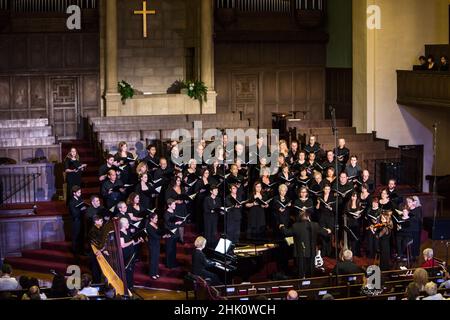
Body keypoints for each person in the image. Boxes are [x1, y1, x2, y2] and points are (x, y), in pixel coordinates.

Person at [280, 211, 331, 279]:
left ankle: (301, 283)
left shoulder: (295, 226)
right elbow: (325, 233)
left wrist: (281, 227)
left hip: (300, 252)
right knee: (310, 271)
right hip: (311, 251)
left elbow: (286, 232)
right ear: (308, 217)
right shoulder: (315, 225)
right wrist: (328, 230)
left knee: (301, 271)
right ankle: (309, 283)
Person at [119, 217, 143, 289]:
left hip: (131, 253)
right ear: (123, 225)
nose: (128, 224)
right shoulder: (120, 233)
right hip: (125, 254)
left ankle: (131, 285)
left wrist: (137, 241)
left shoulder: (128, 231)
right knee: (127, 270)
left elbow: (131, 244)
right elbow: (122, 245)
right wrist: (132, 241)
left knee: (131, 270)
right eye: (127, 223)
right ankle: (127, 286)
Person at [146, 212, 170, 280]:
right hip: (152, 244)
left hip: (156, 243)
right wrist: (163, 236)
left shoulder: (155, 224)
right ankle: (152, 274)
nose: (157, 219)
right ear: (151, 219)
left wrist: (166, 233)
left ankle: (156, 272)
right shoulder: (149, 226)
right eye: (156, 218)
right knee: (153, 259)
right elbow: (155, 236)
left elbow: (159, 232)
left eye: (157, 218)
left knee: (156, 258)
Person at [164, 199, 183, 269]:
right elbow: (168, 224)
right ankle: (169, 264)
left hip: (175, 233)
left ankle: (173, 262)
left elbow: (174, 221)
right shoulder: (166, 213)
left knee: (174, 249)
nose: (175, 205)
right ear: (169, 205)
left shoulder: (173, 212)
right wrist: (176, 223)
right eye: (174, 204)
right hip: (169, 234)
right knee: (169, 249)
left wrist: (179, 221)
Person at [69, 185, 87, 255]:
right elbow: (74, 213)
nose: (80, 194)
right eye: (79, 192)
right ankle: (75, 251)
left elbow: (82, 208)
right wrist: (81, 209)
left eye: (80, 192)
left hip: (81, 220)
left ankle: (82, 250)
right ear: (74, 193)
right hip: (76, 221)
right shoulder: (71, 202)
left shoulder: (80, 199)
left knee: (81, 236)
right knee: (76, 236)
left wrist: (84, 208)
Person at [88, 215, 105, 284]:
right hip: (94, 253)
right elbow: (96, 244)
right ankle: (96, 284)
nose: (102, 222)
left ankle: (99, 283)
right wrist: (103, 248)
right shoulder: (92, 231)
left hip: (98, 252)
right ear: (96, 221)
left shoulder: (99, 229)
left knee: (99, 270)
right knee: (95, 271)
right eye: (101, 221)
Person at [203, 185, 221, 249]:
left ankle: (213, 247)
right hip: (208, 218)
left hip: (215, 218)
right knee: (208, 232)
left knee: (214, 232)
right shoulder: (207, 199)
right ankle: (207, 247)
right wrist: (212, 210)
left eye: (217, 190)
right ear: (211, 191)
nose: (217, 191)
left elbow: (219, 208)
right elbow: (205, 209)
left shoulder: (218, 199)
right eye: (215, 190)